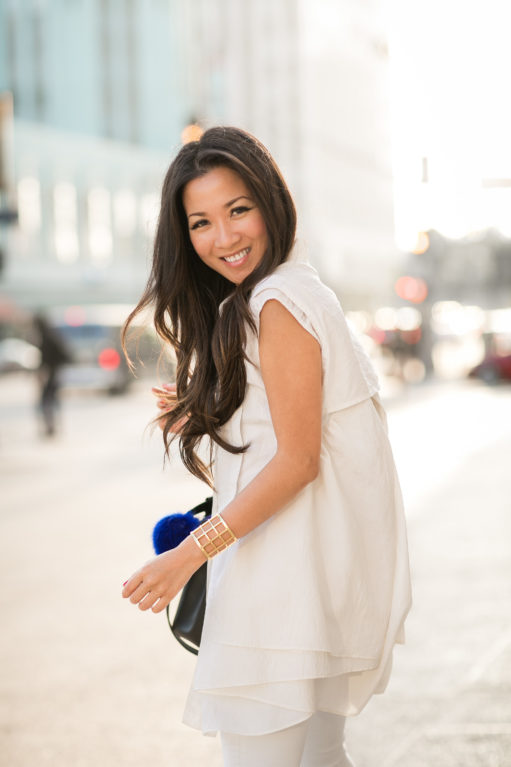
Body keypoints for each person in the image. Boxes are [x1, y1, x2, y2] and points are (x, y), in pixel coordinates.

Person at [121, 126, 412, 767]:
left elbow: (298, 462)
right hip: (309, 589)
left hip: (280, 591)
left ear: (270, 201)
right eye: (200, 222)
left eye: (238, 210)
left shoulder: (276, 302)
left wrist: (185, 558)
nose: (222, 238)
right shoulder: (297, 290)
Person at [33, 313, 72, 437]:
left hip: (52, 373)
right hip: (54, 372)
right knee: (51, 400)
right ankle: (52, 426)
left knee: (47, 401)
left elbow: (46, 359)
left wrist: (45, 371)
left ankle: (51, 427)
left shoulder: (46, 338)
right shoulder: (51, 335)